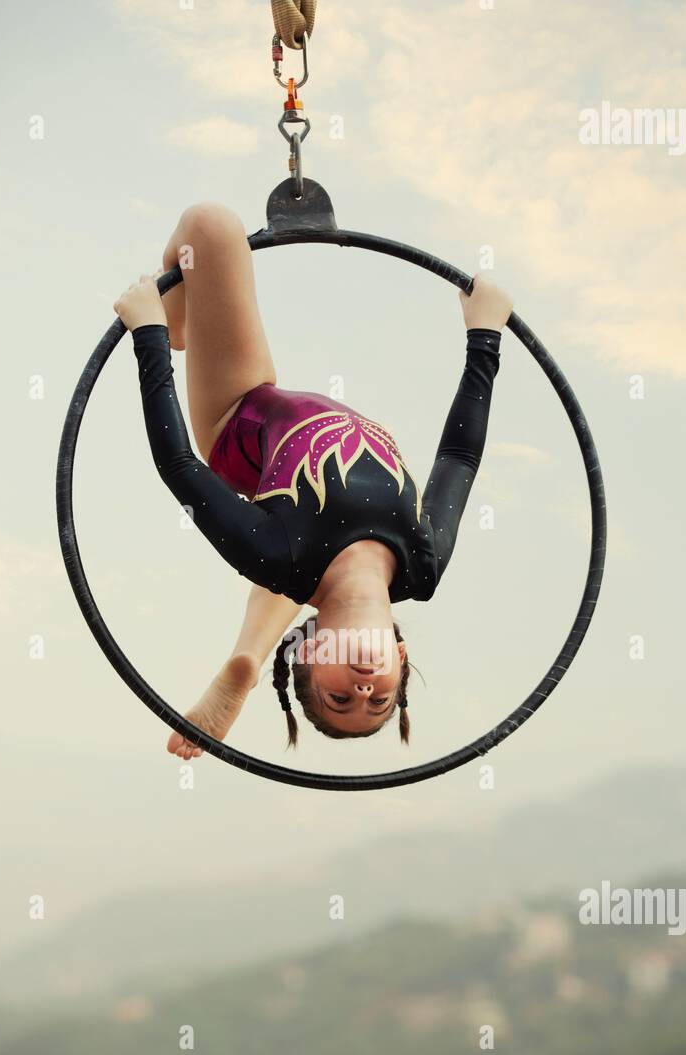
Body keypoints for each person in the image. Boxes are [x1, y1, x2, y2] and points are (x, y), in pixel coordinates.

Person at [113, 204, 512, 758]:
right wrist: (484, 336)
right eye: (378, 702)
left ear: (306, 652)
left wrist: (151, 335)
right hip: (315, 452)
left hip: (241, 415)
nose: (364, 690)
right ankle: (249, 658)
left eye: (339, 699)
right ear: (399, 660)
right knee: (324, 576)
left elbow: (179, 465)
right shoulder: (424, 564)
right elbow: (459, 458)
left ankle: (249, 659)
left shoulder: (278, 558)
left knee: (210, 227)